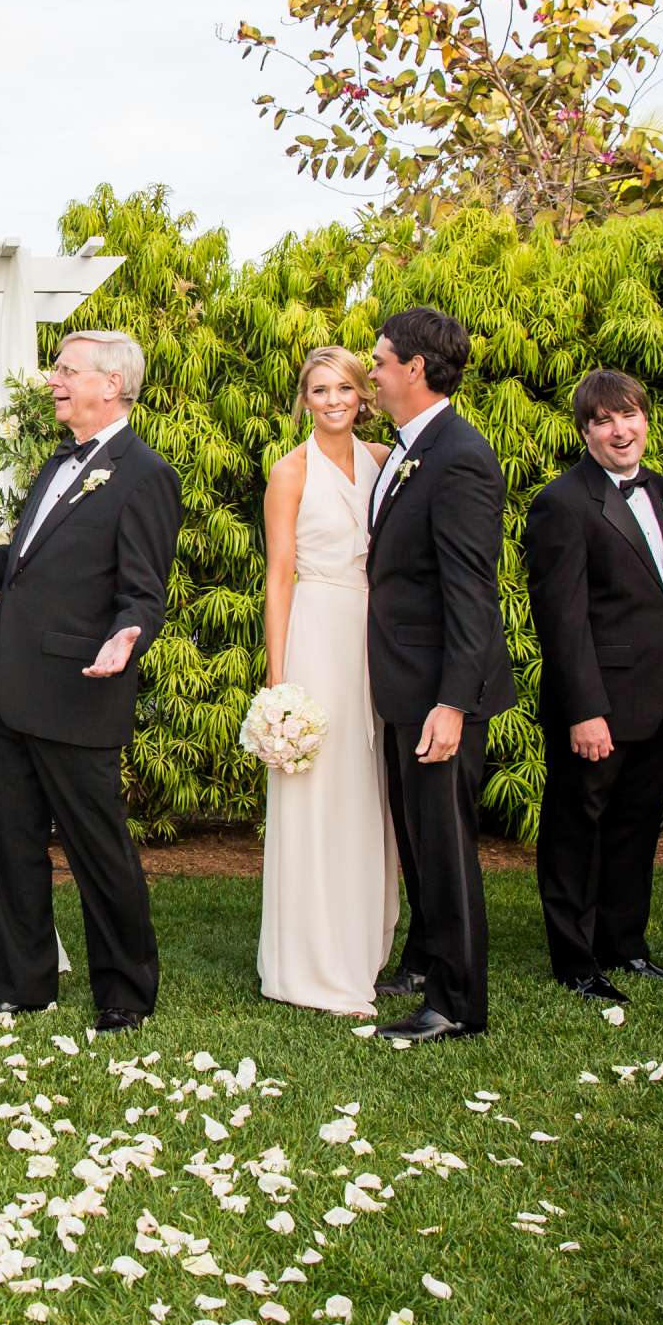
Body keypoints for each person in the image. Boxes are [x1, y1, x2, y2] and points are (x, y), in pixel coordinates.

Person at [0, 330, 182, 1033]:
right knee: (9, 844)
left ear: (110, 384)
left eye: (65, 369)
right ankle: (21, 987)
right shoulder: (59, 461)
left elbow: (144, 591)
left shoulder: (144, 473)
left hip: (79, 691)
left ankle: (125, 993)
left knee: (97, 850)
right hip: (10, 693)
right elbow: (20, 567)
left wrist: (128, 635)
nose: (52, 379)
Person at [363, 306, 513, 1044]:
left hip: (440, 693)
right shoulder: (408, 448)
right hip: (404, 685)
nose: (374, 371)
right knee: (418, 838)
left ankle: (455, 1003)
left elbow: (470, 593)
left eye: (382, 360)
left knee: (445, 846)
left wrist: (453, 704)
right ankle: (424, 961)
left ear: (416, 368)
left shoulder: (459, 456)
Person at [523, 370, 663, 1004]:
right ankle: (575, 961)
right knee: (577, 828)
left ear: (645, 419)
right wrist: (585, 710)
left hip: (655, 698)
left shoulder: (661, 490)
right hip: (595, 704)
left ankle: (626, 947)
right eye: (603, 421)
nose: (620, 430)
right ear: (585, 431)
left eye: (629, 416)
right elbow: (561, 620)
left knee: (636, 826)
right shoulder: (562, 503)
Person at [256, 346, 398, 1016]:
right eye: (320, 389)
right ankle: (308, 958)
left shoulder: (381, 461)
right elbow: (278, 576)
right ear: (304, 400)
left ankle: (362, 944)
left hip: (374, 634)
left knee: (367, 786)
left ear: (363, 393)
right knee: (315, 786)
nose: (334, 398)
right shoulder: (290, 472)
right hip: (316, 627)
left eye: (344, 386)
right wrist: (280, 684)